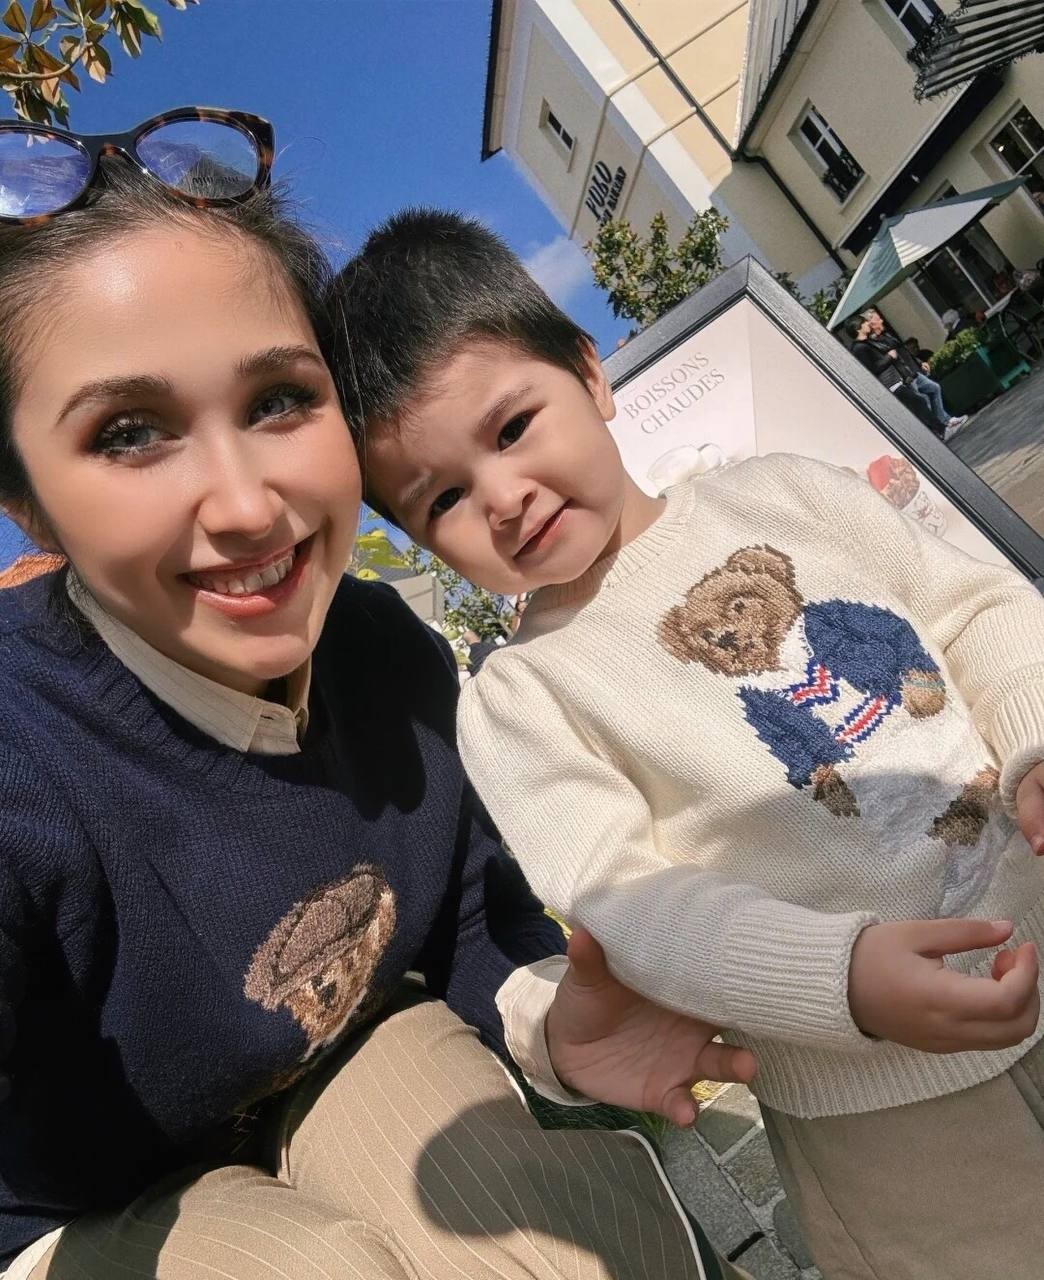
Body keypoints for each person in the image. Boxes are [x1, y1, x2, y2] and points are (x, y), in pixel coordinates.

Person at [0, 115, 758, 1280]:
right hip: (74, 1203)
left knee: (562, 1247)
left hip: (341, 1055)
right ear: (29, 506)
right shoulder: (21, 752)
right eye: (131, 432)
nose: (246, 505)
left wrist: (559, 1021)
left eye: (277, 399)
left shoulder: (388, 656)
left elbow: (469, 917)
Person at [330, 208, 1044, 1280]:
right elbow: (632, 900)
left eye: (512, 428)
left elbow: (975, 608)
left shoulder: (785, 491)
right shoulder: (522, 698)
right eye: (445, 499)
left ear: (590, 373)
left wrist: (1034, 737)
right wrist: (839, 978)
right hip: (881, 1104)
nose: (504, 497)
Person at [860, 309, 968, 441]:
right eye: (878, 319)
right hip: (905, 376)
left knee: (934, 388)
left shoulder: (885, 335)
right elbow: (888, 361)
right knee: (922, 402)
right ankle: (937, 433)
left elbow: (903, 351)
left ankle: (945, 421)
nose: (882, 321)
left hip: (912, 370)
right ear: (871, 323)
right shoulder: (873, 344)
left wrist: (919, 362)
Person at [844, 316, 946, 436]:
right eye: (864, 322)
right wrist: (889, 357)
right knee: (919, 403)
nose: (867, 323)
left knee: (918, 404)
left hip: (896, 381)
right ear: (857, 328)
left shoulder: (868, 342)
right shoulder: (859, 348)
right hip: (890, 385)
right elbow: (872, 369)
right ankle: (940, 430)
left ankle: (937, 431)